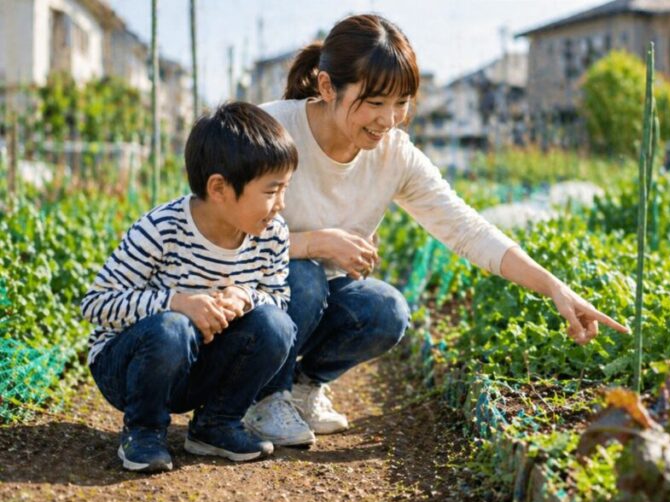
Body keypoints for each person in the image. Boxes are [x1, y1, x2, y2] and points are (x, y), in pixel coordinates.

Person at [245, 14, 629, 447]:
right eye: (374, 103)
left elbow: (466, 228)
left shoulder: (394, 156)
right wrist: (311, 243)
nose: (389, 119)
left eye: (401, 102)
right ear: (328, 87)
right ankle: (260, 395)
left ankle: (300, 387)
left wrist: (555, 287)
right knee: (306, 275)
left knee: (386, 310)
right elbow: (213, 232)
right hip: (248, 302)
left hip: (315, 300)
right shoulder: (271, 130)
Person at [81, 102, 299, 472]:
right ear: (219, 188)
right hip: (129, 370)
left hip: (198, 369)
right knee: (173, 326)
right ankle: (144, 430)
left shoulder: (272, 235)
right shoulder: (162, 228)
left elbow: (279, 299)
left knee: (276, 324)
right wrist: (177, 302)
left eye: (285, 189)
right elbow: (96, 304)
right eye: (271, 191)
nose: (281, 204)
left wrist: (247, 296)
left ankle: (216, 424)